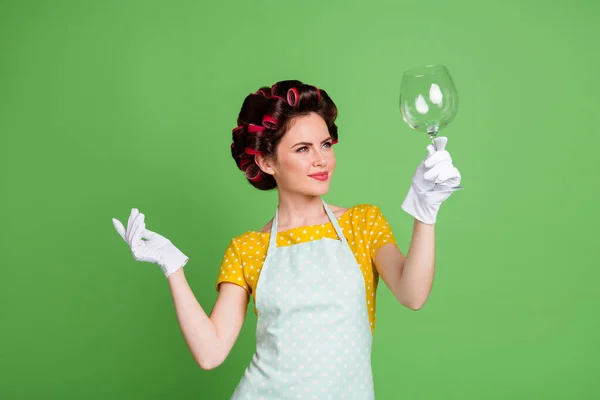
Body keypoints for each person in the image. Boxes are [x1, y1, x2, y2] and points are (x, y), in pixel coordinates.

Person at [112, 79, 461, 399]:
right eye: (303, 149)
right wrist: (172, 267)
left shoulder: (362, 222)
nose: (321, 159)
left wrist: (424, 211)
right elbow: (210, 352)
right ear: (266, 161)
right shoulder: (248, 248)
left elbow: (412, 294)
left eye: (325, 144)